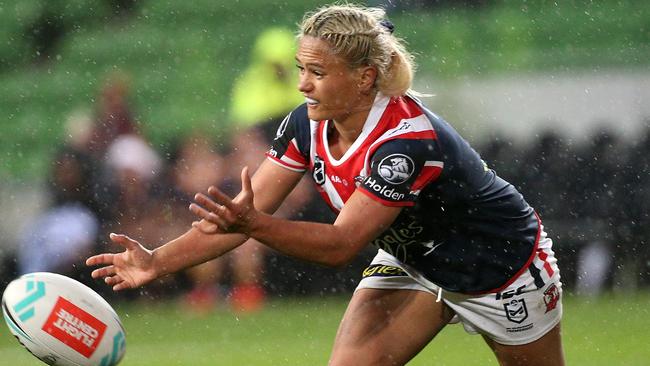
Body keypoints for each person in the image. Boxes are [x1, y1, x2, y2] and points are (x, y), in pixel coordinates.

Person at [87, 4, 565, 365]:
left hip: (500, 268)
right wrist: (156, 262)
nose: (302, 85)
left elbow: (339, 244)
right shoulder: (305, 125)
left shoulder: (405, 144)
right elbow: (237, 218)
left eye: (317, 73)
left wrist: (253, 223)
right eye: (301, 69)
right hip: (413, 261)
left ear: (364, 78)